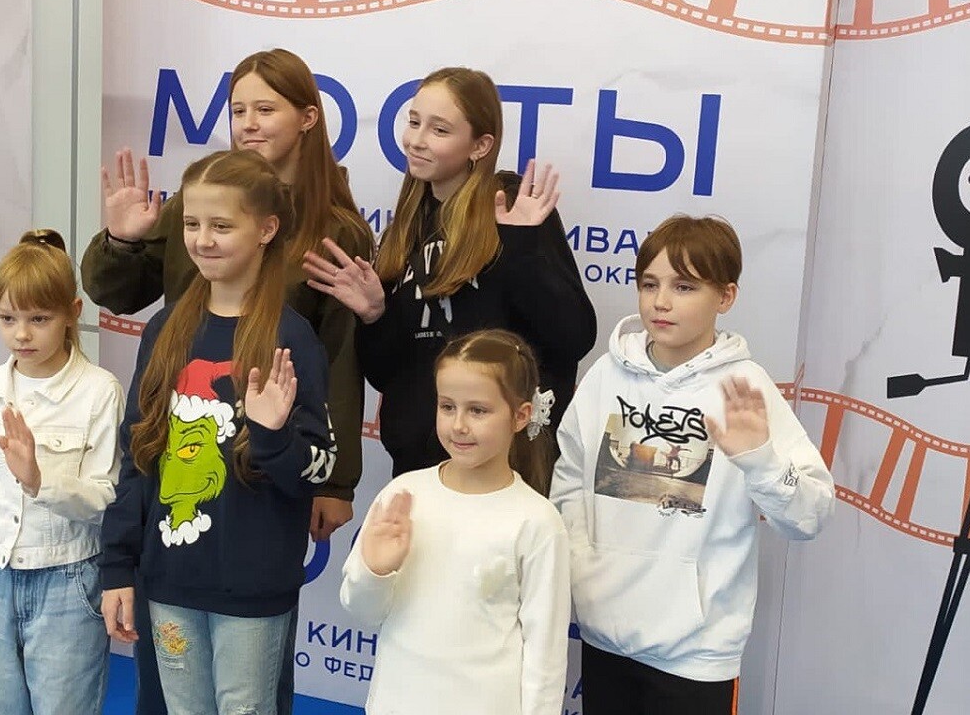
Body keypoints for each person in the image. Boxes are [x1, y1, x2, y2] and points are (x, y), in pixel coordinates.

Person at [83, 49, 370, 714]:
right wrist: (123, 241)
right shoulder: (186, 247)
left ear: (307, 118)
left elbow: (340, 365)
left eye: (265, 108)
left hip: (258, 515)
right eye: (238, 109)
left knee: (249, 693)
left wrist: (334, 480)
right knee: (170, 694)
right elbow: (138, 439)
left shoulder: (332, 236)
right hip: (174, 544)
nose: (249, 122)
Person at [549, 214, 836, 714]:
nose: (660, 301)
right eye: (649, 284)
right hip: (603, 634)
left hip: (697, 655)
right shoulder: (604, 376)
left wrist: (761, 461)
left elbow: (809, 516)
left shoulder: (745, 387)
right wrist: (585, 569)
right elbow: (569, 480)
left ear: (725, 297)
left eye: (684, 286)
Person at [99, 149, 336, 715]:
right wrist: (117, 566)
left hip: (253, 590)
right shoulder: (164, 328)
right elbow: (137, 455)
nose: (203, 240)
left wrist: (272, 435)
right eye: (191, 224)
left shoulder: (291, 338)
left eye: (222, 226)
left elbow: (317, 467)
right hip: (169, 581)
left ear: (266, 230)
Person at [303, 66, 596, 480]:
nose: (416, 140)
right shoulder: (406, 227)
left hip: (503, 471)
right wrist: (374, 315)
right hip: (419, 471)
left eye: (439, 130)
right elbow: (387, 375)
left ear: (480, 145)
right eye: (414, 122)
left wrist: (521, 248)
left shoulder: (510, 208)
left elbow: (574, 337)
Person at [0, 230, 124, 715]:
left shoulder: (99, 391)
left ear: (72, 313)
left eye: (39, 319)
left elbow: (106, 498)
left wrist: (40, 482)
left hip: (68, 583)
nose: (21, 334)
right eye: (7, 318)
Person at [341, 329, 570, 715]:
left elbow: (545, 654)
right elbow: (361, 610)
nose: (459, 425)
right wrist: (375, 571)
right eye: (447, 406)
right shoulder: (405, 494)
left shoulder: (536, 521)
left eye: (477, 410)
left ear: (520, 416)